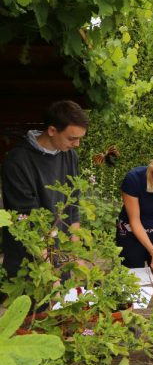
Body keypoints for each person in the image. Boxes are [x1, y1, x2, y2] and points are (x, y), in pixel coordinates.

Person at [1, 100, 89, 278]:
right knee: (35, 304)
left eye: (80, 138)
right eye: (72, 138)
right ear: (52, 131)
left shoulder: (69, 155)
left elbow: (73, 205)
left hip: (60, 255)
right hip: (29, 263)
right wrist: (49, 274)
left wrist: (75, 252)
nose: (77, 144)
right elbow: (27, 221)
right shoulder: (17, 162)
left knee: (64, 302)